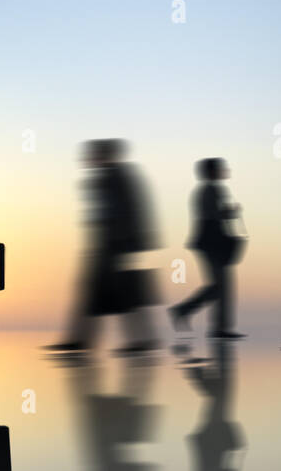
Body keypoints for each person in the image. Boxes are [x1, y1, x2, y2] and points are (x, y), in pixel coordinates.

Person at [47, 138, 160, 353]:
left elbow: (123, 212)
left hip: (111, 244)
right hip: (108, 243)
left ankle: (88, 340)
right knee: (105, 294)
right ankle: (88, 339)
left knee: (113, 293)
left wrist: (123, 241)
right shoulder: (114, 176)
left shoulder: (116, 177)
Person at [169, 157, 244, 339]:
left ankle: (217, 326)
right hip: (212, 243)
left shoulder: (208, 190)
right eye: (221, 168)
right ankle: (186, 312)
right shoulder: (210, 190)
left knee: (220, 286)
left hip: (210, 242)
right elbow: (214, 215)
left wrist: (227, 213)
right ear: (212, 171)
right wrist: (232, 212)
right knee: (220, 286)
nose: (225, 171)